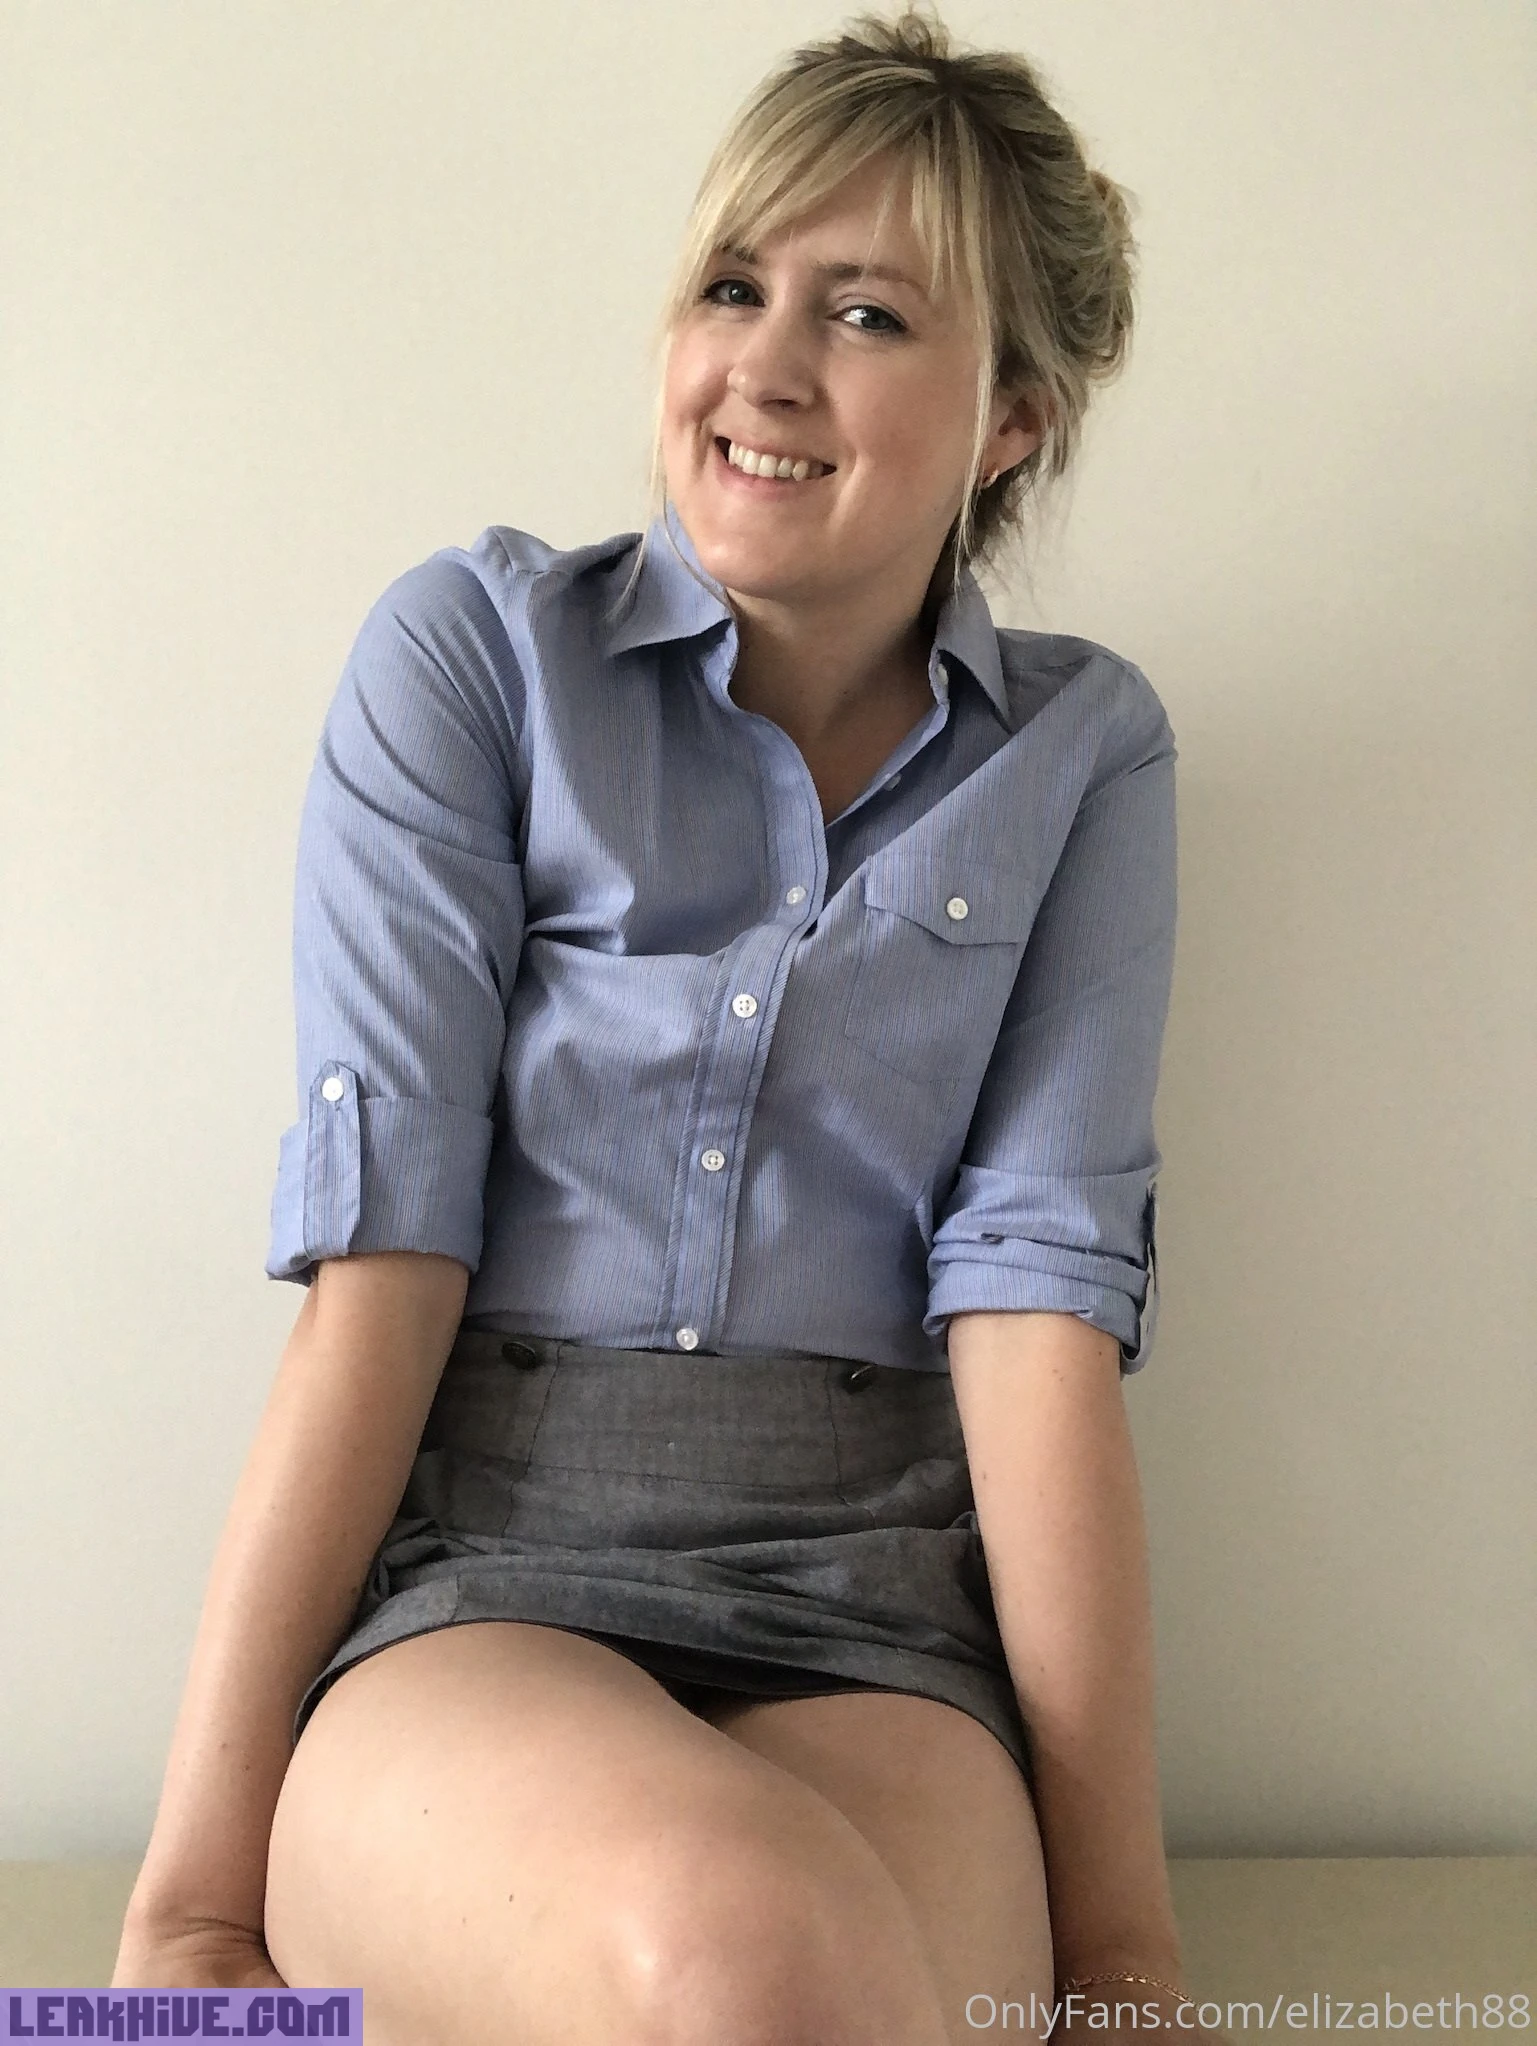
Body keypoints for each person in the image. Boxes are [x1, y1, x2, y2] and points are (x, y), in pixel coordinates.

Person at [115, 8, 1220, 2041]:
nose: (765, 367)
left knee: (838, 1988)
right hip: (486, 1583)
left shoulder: (1085, 756)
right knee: (750, 1950)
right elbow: (380, 1264)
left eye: (867, 314)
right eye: (732, 285)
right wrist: (189, 1905)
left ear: (1014, 419)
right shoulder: (477, 659)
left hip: (881, 1621)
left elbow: (1037, 1319)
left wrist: (1130, 1958)